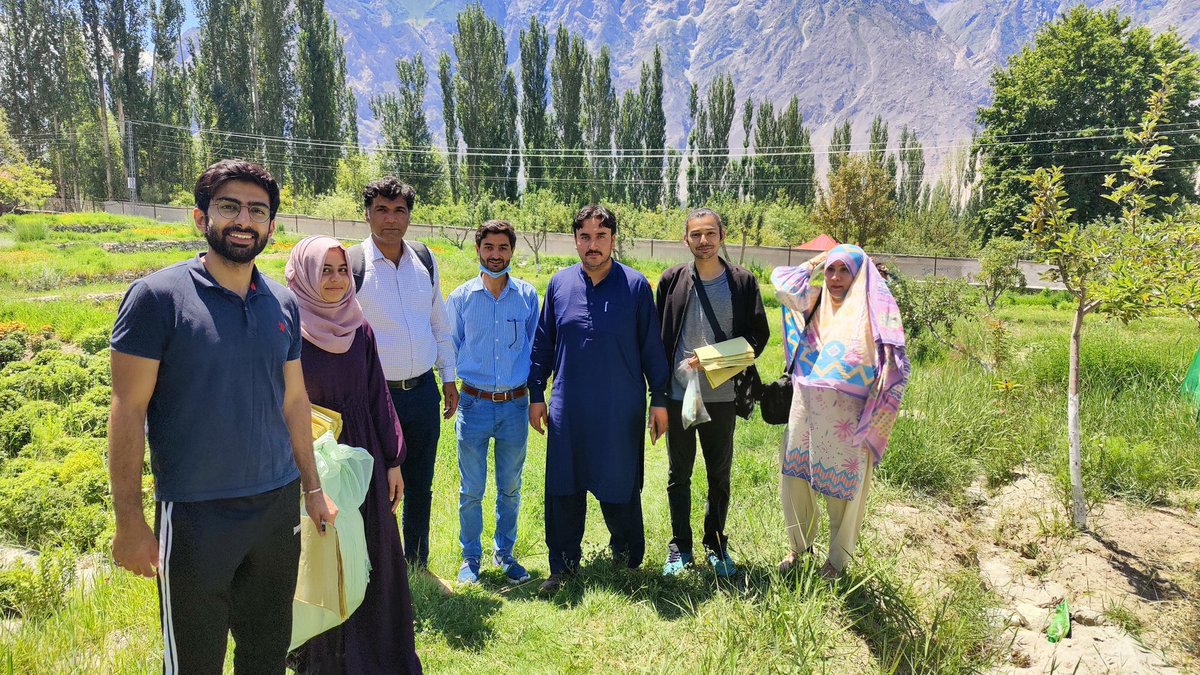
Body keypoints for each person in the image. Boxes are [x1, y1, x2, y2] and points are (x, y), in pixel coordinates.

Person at [108, 160, 337, 673]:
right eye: (229, 207)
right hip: (196, 515)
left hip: (276, 509)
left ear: (271, 227)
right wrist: (129, 522)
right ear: (201, 217)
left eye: (257, 211)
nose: (243, 220)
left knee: (266, 654)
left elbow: (294, 401)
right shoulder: (157, 299)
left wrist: (312, 489)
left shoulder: (282, 303)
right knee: (195, 662)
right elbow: (127, 410)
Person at [284, 236, 422, 673]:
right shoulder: (287, 331)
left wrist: (393, 462)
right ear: (304, 274)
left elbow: (378, 396)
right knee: (325, 557)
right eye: (324, 270)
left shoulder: (359, 328)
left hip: (363, 460)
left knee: (373, 550)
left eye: (342, 270)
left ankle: (380, 657)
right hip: (315, 461)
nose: (336, 279)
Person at [528, 204, 671, 595]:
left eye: (601, 236)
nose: (593, 245)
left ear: (613, 240)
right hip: (569, 408)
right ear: (575, 240)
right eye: (585, 237)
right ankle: (562, 567)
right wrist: (537, 393)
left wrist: (659, 399)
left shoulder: (635, 286)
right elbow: (543, 344)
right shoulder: (559, 285)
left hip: (619, 409)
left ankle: (627, 560)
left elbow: (652, 349)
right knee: (563, 487)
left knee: (620, 484)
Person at [770, 245, 909, 580]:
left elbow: (896, 362)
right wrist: (817, 261)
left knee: (842, 489)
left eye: (844, 270)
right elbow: (783, 284)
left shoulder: (873, 311)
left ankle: (836, 562)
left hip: (848, 417)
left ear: (859, 274)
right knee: (795, 477)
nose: (834, 278)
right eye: (831, 270)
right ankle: (799, 547)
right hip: (805, 408)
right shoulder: (816, 301)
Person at [352, 177, 458, 578]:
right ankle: (380, 572)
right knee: (377, 487)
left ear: (410, 215)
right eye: (381, 209)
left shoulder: (423, 260)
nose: (391, 219)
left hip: (423, 393)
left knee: (419, 485)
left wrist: (448, 377)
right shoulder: (352, 264)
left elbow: (439, 322)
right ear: (367, 214)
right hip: (376, 399)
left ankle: (417, 566)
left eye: (399, 210)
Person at [655, 208, 770, 577]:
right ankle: (680, 547)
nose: (703, 241)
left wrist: (712, 360)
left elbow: (758, 336)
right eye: (695, 234)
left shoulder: (742, 282)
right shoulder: (671, 280)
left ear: (722, 236)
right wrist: (657, 395)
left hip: (722, 396)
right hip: (679, 395)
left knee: (719, 475)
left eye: (710, 233)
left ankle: (716, 544)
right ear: (685, 239)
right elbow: (658, 338)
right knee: (679, 474)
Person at [446, 220, 540, 585]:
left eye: (503, 248)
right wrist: (450, 386)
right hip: (474, 404)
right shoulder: (462, 298)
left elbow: (533, 347)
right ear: (478, 250)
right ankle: (471, 558)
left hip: (515, 405)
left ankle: (505, 554)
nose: (495, 255)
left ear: (512, 251)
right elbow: (450, 345)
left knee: (510, 488)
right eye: (489, 247)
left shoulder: (527, 296)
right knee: (471, 489)